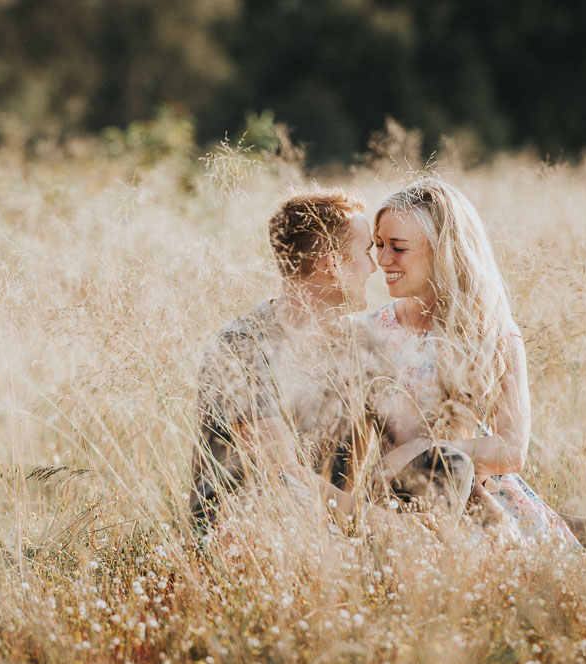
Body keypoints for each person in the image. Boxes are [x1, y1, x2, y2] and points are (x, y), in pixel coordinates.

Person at [190, 189, 474, 533]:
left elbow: (415, 437)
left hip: (343, 524)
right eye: (367, 251)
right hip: (256, 530)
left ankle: (418, 562)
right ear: (332, 264)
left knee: (446, 464)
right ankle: (400, 559)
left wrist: (489, 519)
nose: (376, 265)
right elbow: (283, 476)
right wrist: (392, 529)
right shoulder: (241, 346)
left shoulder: (362, 344)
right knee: (283, 492)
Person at [364, 177, 583, 548]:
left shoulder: (494, 335)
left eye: (398, 248)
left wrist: (420, 454)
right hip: (400, 508)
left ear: (441, 251)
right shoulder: (370, 334)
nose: (383, 259)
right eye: (380, 244)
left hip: (492, 508)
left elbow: (511, 451)